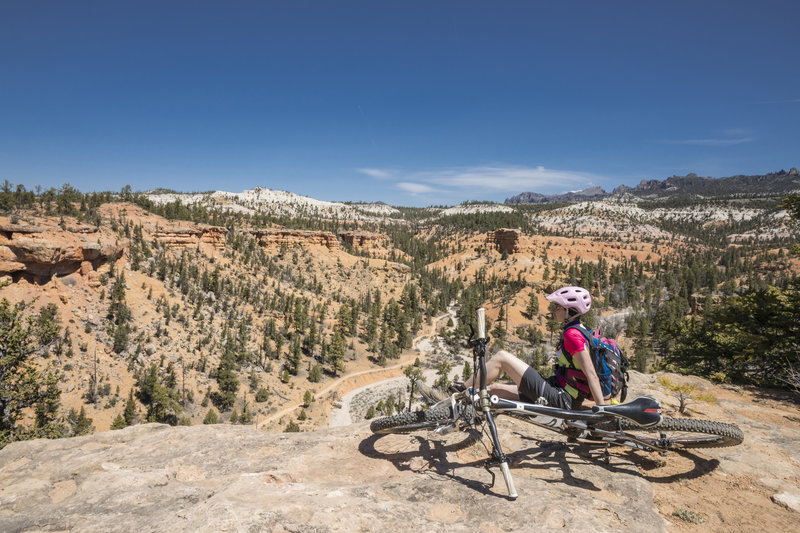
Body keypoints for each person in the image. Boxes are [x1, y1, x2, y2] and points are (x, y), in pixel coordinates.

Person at [454, 286, 606, 410]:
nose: (552, 310)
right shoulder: (580, 329)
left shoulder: (572, 335)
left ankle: (458, 391)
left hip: (561, 398)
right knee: (492, 390)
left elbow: (591, 374)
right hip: (558, 389)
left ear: (569, 311)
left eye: (557, 307)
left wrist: (601, 410)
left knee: (501, 358)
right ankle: (460, 405)